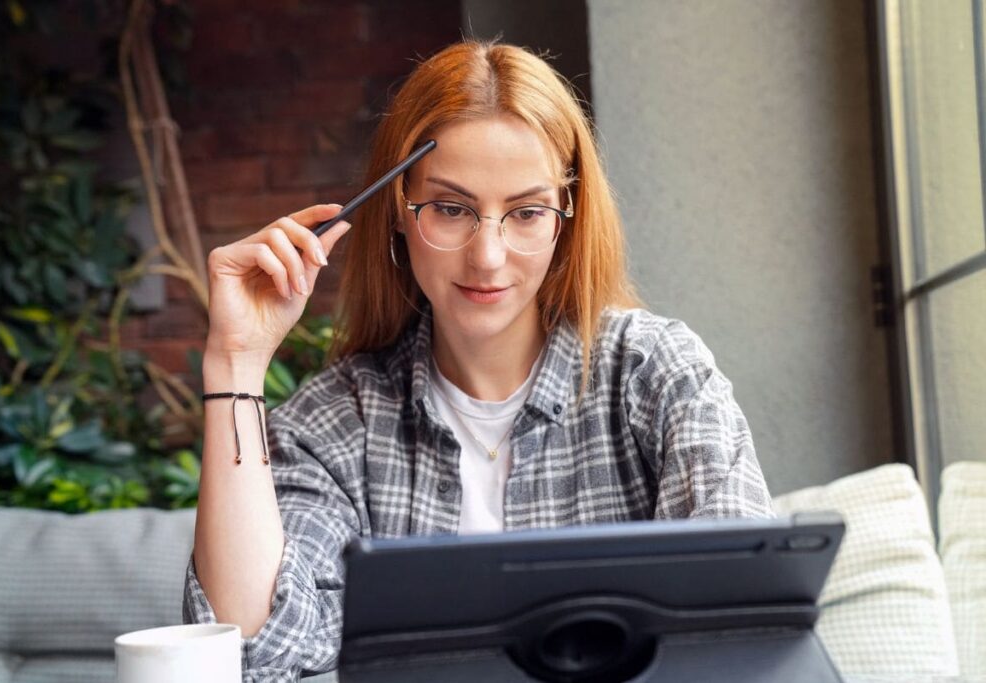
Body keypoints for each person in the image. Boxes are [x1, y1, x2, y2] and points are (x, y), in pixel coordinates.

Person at [183, 40, 773, 680]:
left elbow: (743, 627)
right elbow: (253, 658)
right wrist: (236, 365)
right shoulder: (333, 426)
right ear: (399, 213)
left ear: (565, 221)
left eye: (526, 212)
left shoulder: (656, 374)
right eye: (450, 208)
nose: (487, 256)